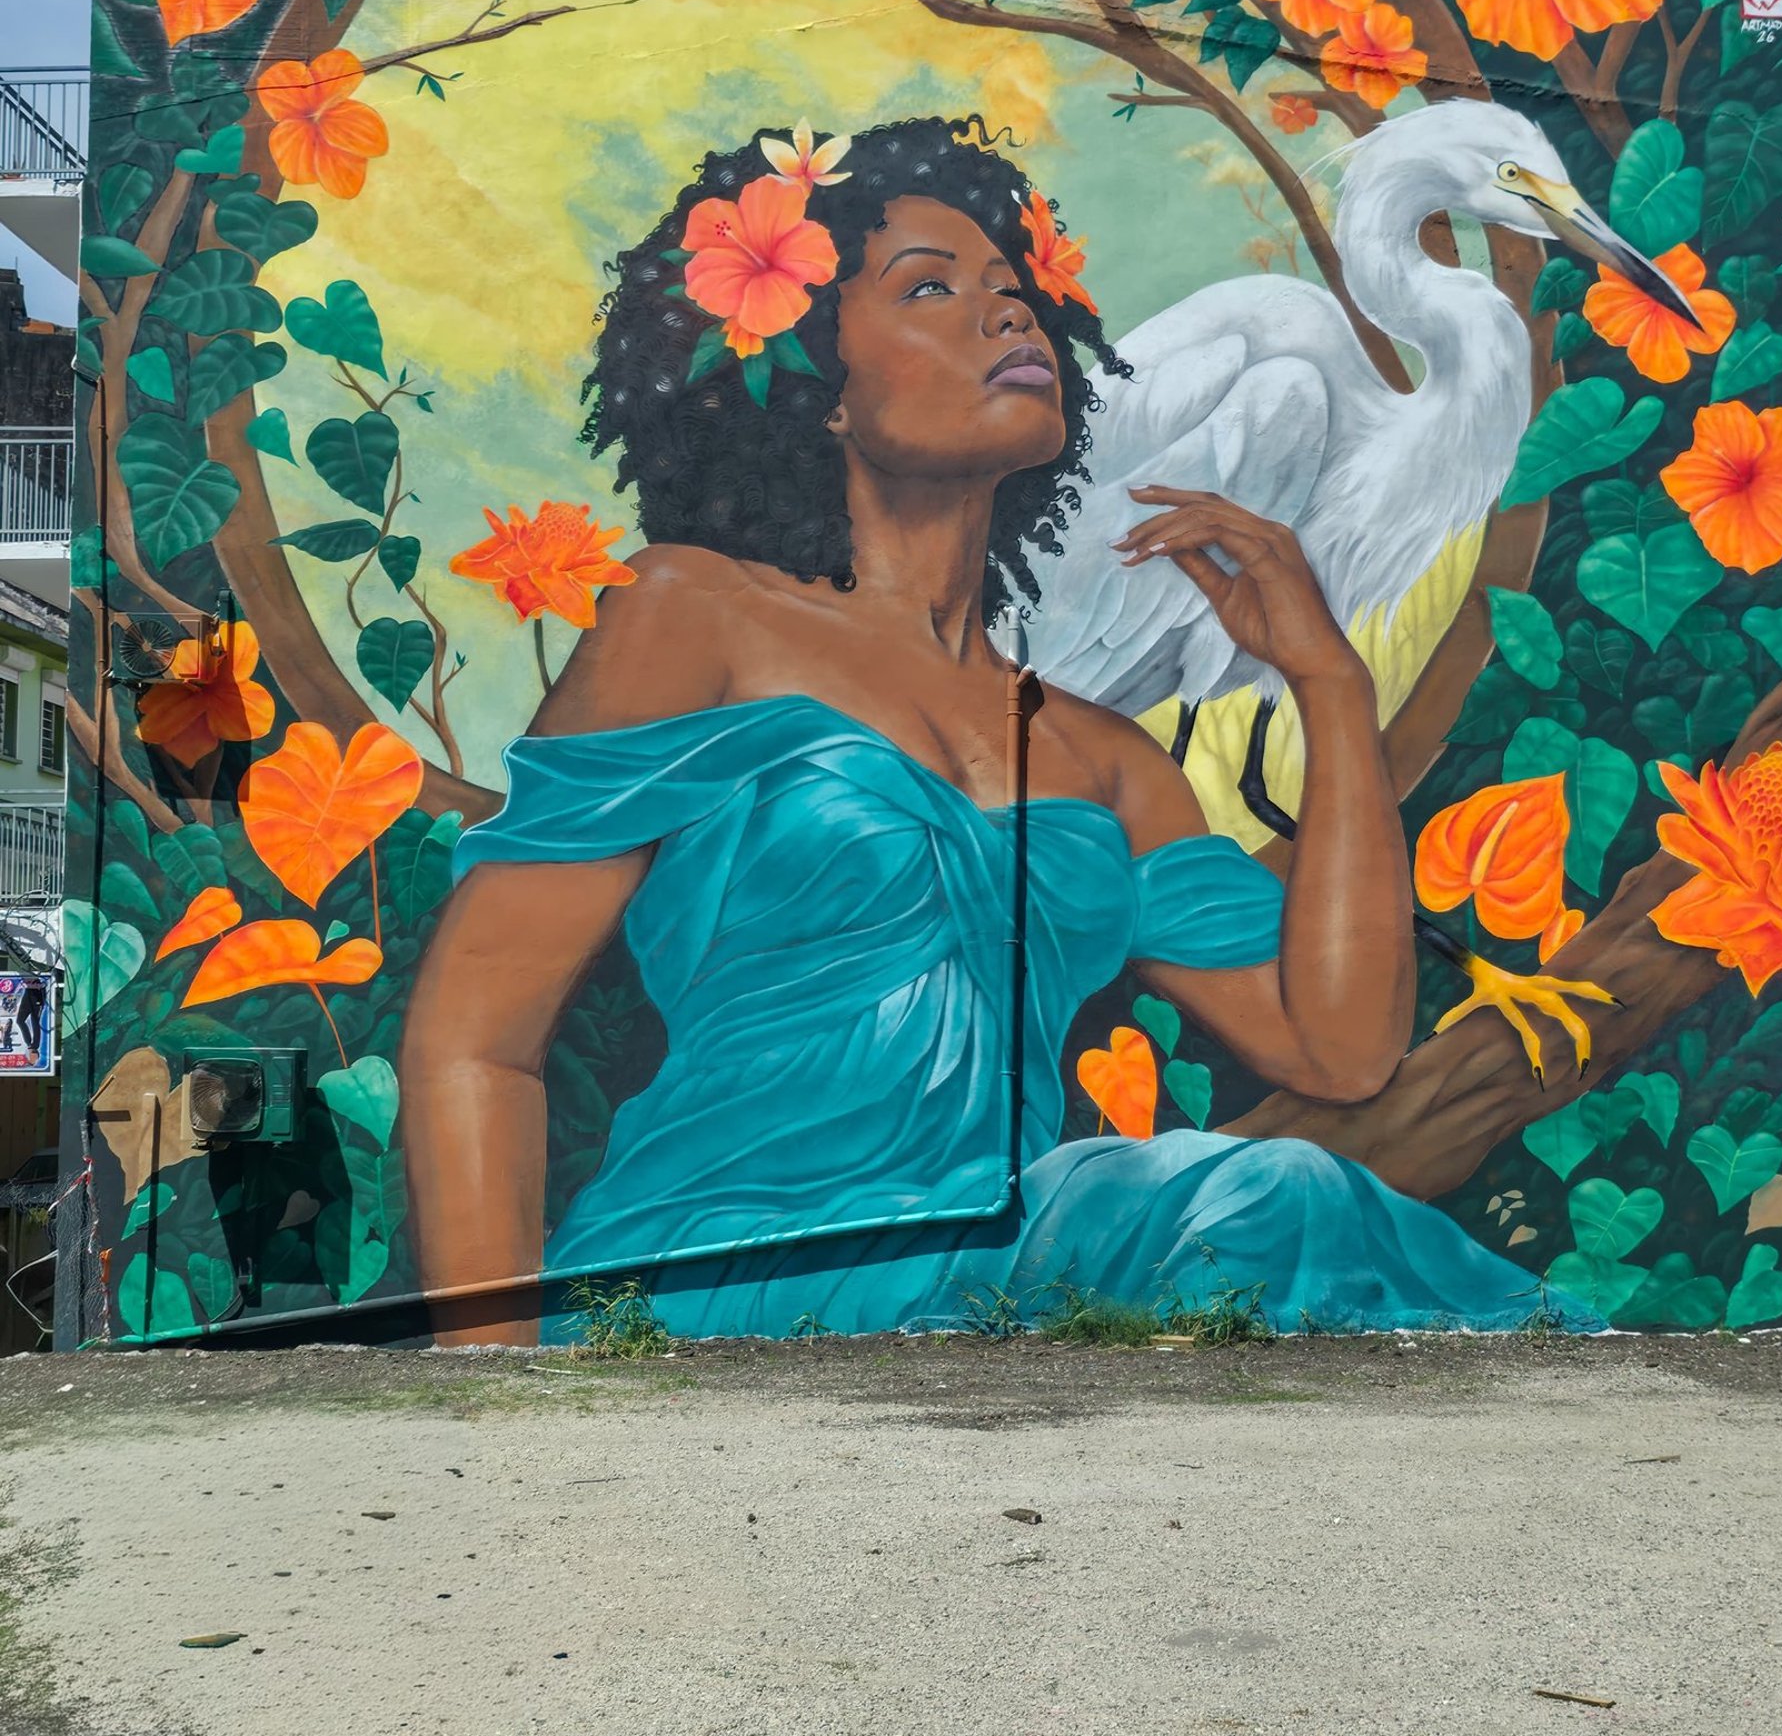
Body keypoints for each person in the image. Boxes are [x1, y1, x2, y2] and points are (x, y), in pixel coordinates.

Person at [402, 115, 1574, 1342]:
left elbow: (1335, 1050)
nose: (1007, 315)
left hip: (983, 1272)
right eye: (931, 288)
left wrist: (1328, 684)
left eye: (1015, 292)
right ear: (818, 389)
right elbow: (477, 1041)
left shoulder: (1102, 757)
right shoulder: (695, 618)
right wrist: (499, 1394)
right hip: (721, 1269)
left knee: (1277, 1194)